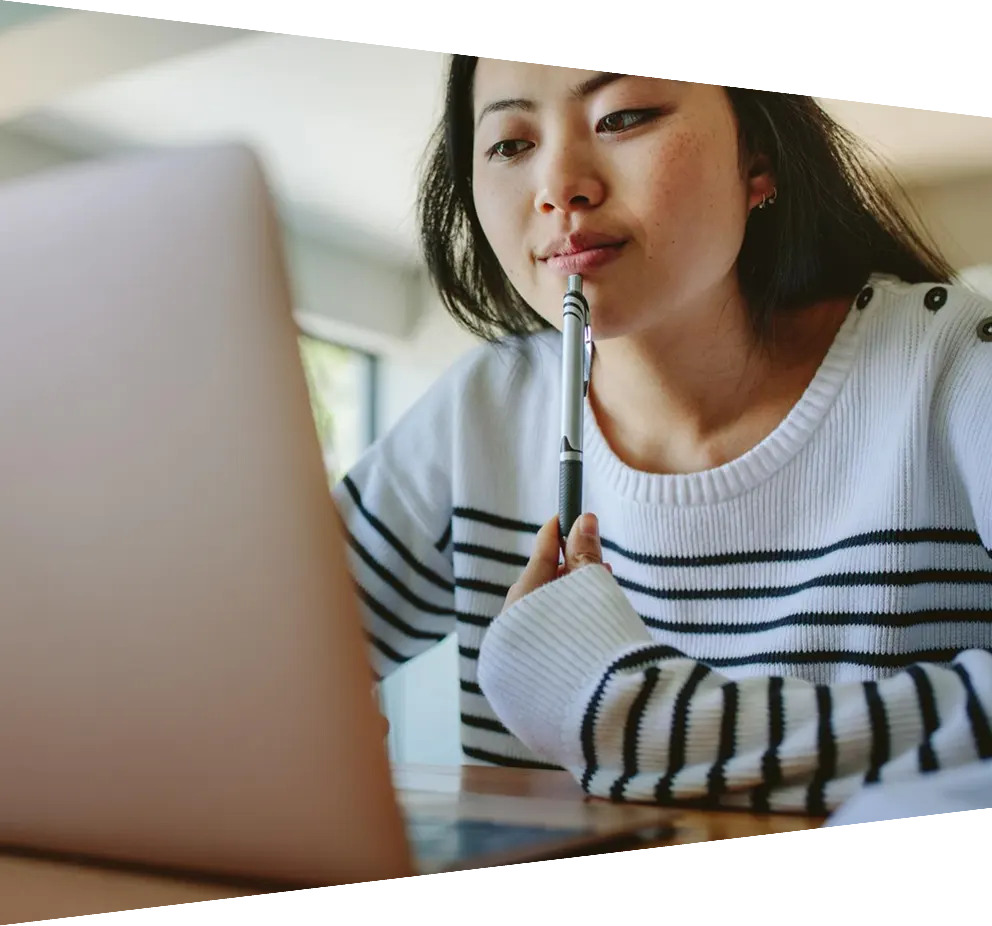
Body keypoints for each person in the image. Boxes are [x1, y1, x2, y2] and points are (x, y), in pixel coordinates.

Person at [334, 54, 992, 815]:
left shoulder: (959, 364)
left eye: (623, 117)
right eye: (511, 145)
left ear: (759, 154)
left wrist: (634, 718)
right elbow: (250, 665)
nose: (559, 189)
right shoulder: (479, 409)